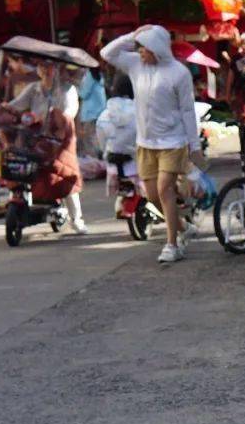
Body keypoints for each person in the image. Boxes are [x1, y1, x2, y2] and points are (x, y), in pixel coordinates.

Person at [102, 25, 201, 264]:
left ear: (157, 49)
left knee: (165, 188)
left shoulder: (179, 73)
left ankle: (172, 245)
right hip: (145, 142)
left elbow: (188, 111)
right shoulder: (136, 65)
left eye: (145, 48)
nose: (140, 52)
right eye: (140, 48)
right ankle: (183, 226)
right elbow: (107, 53)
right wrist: (132, 35)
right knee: (153, 195)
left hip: (173, 141)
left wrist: (194, 146)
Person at [0, 59, 88, 232]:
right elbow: (16, 106)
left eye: (49, 66)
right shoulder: (33, 89)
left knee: (65, 176)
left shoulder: (67, 90)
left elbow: (68, 114)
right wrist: (4, 110)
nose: (46, 70)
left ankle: (76, 219)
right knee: (18, 167)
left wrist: (53, 119)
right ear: (38, 70)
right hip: (34, 138)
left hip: (59, 140)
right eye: (42, 67)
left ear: (56, 69)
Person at [96, 73, 139, 209]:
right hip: (138, 165)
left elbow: (102, 144)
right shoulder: (140, 110)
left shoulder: (104, 114)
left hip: (113, 166)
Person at [76, 66, 107, 157]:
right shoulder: (100, 76)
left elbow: (84, 93)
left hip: (90, 114)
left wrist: (75, 86)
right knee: (96, 139)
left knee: (89, 140)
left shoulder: (90, 75)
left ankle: (93, 162)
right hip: (99, 113)